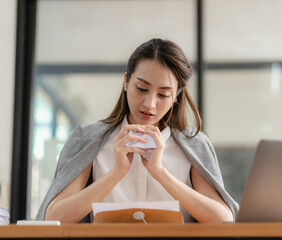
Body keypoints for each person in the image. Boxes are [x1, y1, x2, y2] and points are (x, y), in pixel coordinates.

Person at [36, 38, 239, 223]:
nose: (150, 104)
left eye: (163, 94)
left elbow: (223, 219)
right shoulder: (88, 140)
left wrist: (159, 172)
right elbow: (54, 218)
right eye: (142, 89)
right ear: (126, 81)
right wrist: (117, 172)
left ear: (176, 96)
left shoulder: (194, 144)